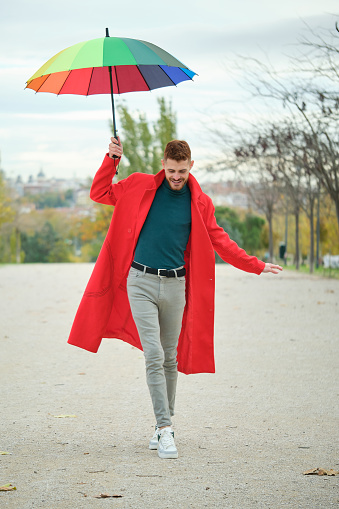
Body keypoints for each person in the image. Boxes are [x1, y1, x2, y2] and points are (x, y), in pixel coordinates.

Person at [68, 136, 282, 459]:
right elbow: (99, 192)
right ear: (163, 166)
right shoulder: (139, 186)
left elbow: (221, 242)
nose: (176, 177)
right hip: (139, 282)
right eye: (171, 170)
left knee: (170, 357)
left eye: (182, 170)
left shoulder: (200, 203)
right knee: (153, 354)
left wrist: (257, 265)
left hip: (175, 287)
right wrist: (111, 160)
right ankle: (166, 428)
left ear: (191, 166)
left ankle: (160, 426)